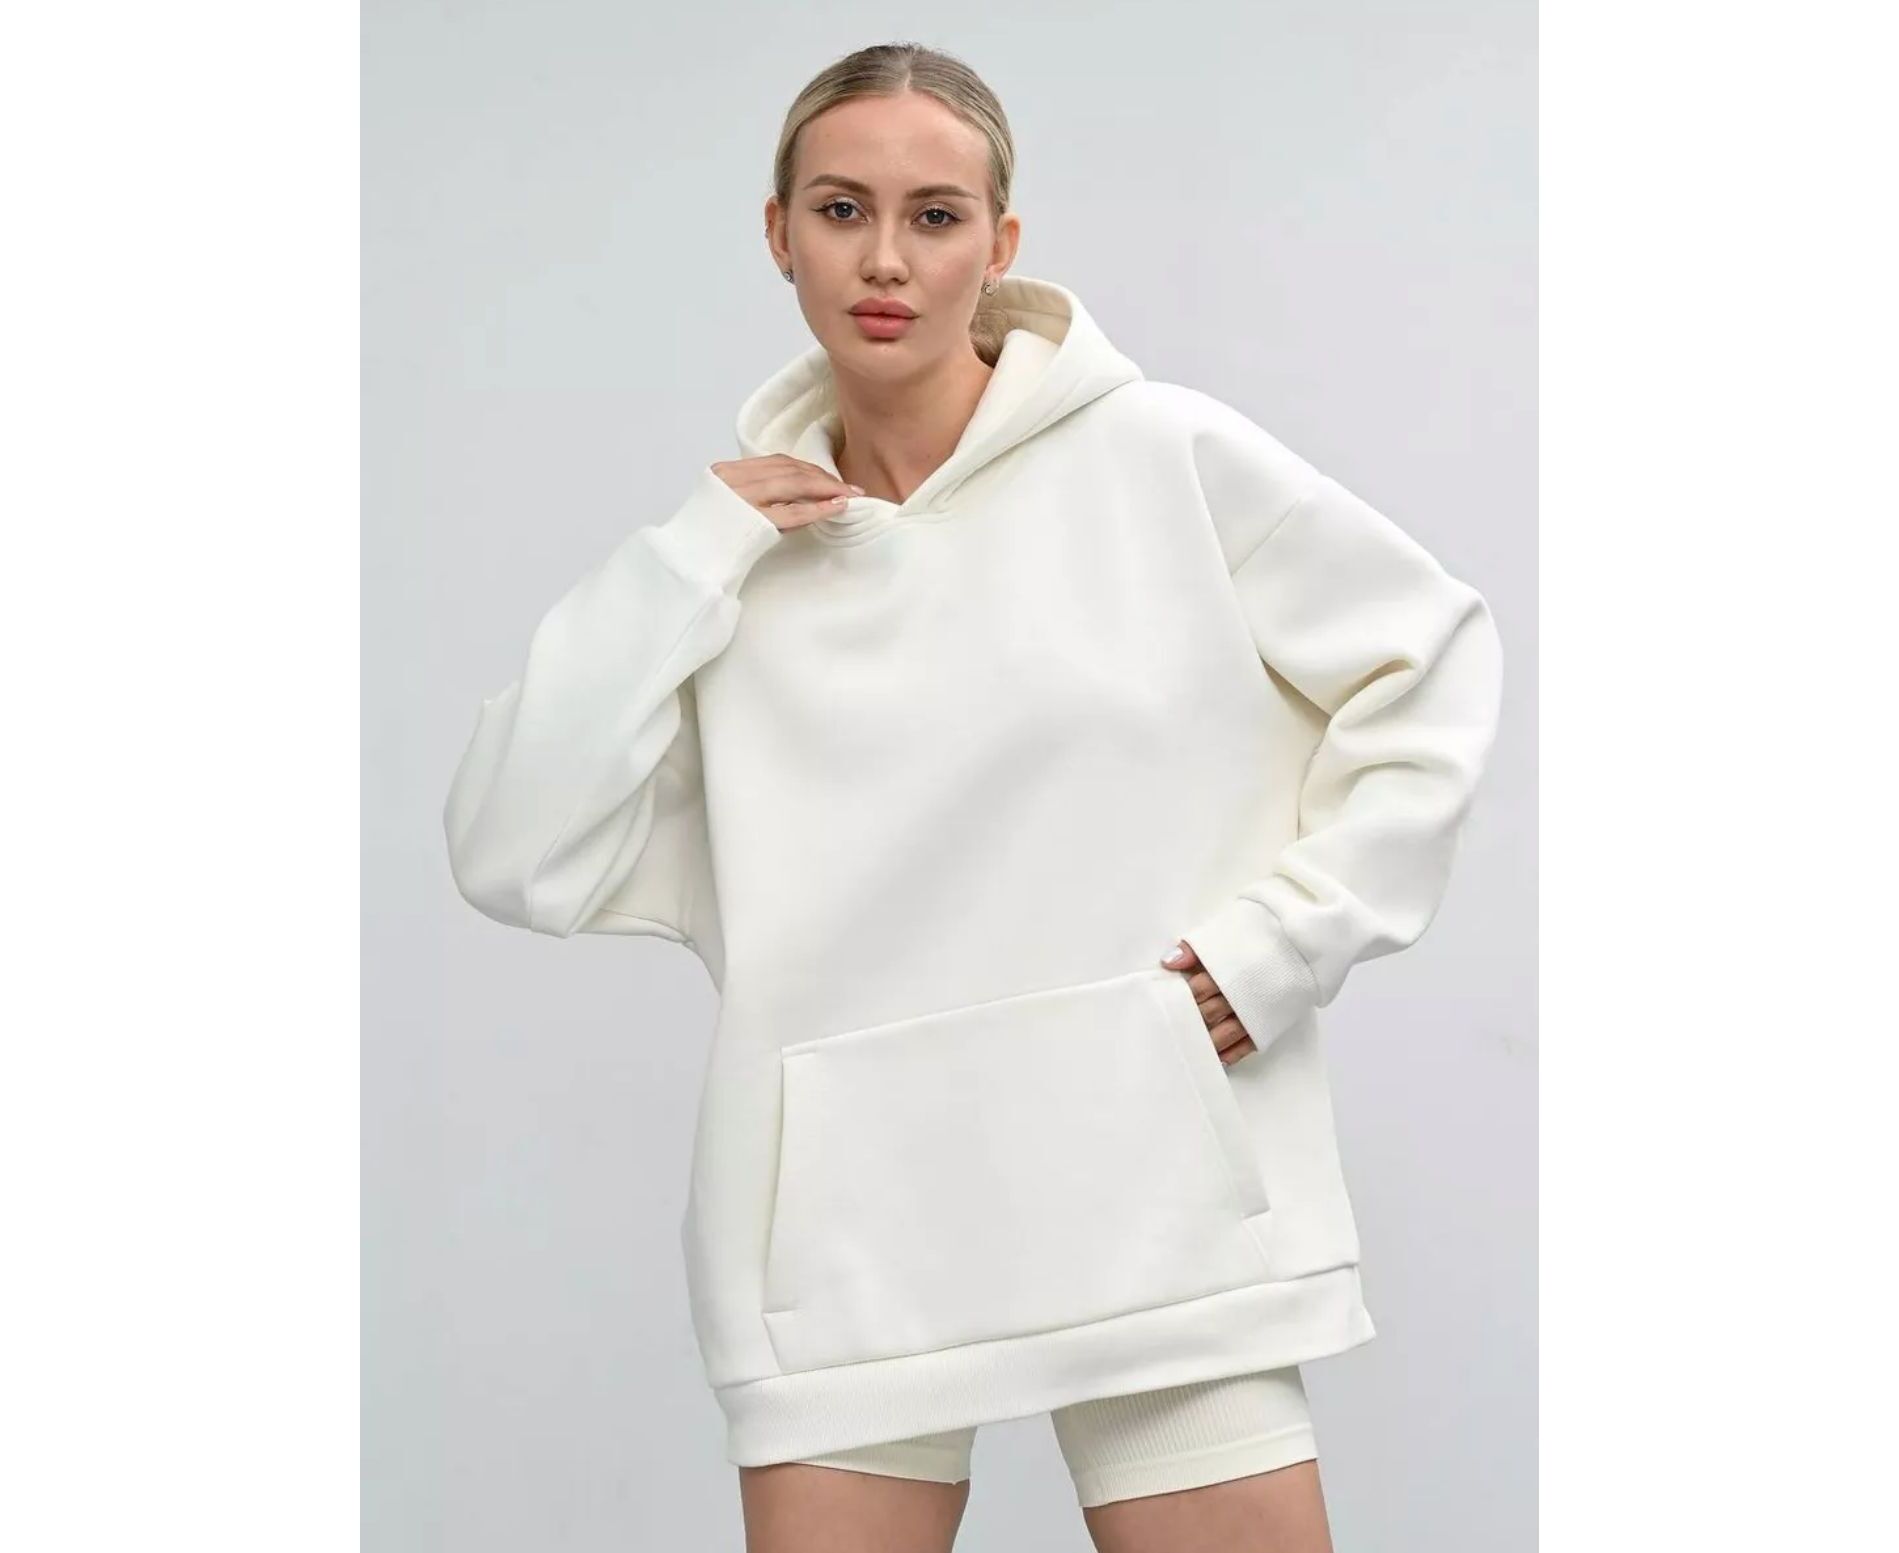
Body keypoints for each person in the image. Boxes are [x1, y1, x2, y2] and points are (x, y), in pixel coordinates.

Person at [442, 41, 1503, 1553]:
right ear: (778, 234)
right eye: (842, 210)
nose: (886, 259)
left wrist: (1282, 945)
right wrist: (683, 557)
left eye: (934, 217)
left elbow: (1431, 661)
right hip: (843, 1245)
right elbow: (506, 846)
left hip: (1151, 1195)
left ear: (1000, 245)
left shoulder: (1160, 457)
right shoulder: (723, 576)